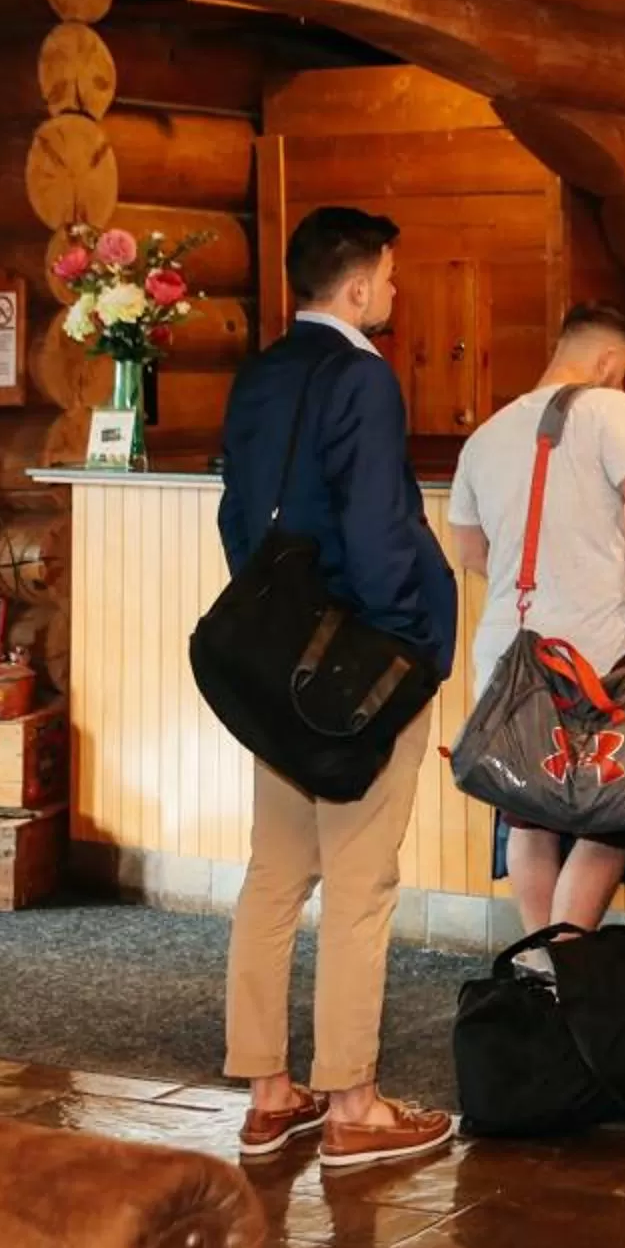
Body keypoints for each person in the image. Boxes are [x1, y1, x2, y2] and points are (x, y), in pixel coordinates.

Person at [214, 205, 457, 1169]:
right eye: (390, 278)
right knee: (360, 884)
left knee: (275, 873)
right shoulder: (363, 375)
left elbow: (242, 511)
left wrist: (274, 614)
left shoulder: (262, 370)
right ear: (356, 288)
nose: (394, 292)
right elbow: (375, 526)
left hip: (273, 648)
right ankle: (354, 1102)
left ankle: (270, 1091)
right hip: (358, 659)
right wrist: (406, 638)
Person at [447, 304, 625, 952]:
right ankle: (567, 966)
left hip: (507, 657)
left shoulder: (486, 434)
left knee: (531, 815)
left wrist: (534, 584)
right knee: (614, 815)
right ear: (609, 362)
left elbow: (469, 548)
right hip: (592, 656)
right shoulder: (610, 410)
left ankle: (541, 972)